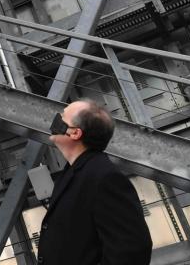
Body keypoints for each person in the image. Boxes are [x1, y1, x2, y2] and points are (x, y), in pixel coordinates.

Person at [38, 99, 152, 265]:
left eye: (62, 117)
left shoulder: (104, 177)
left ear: (75, 133)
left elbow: (131, 250)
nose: (56, 119)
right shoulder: (73, 173)